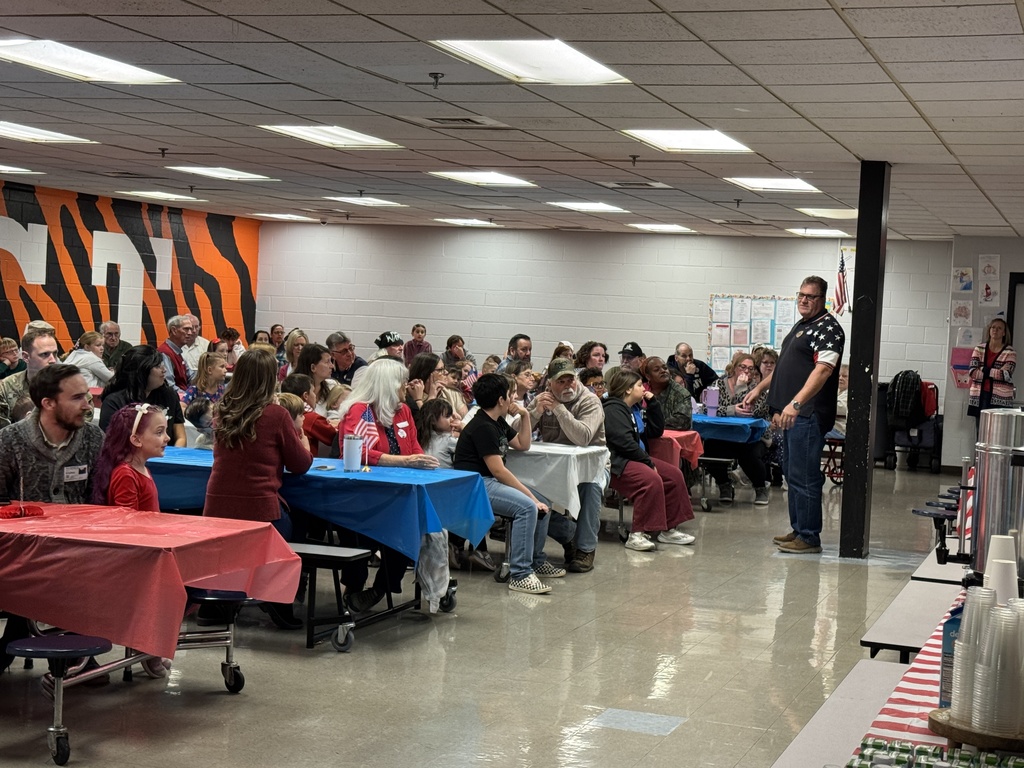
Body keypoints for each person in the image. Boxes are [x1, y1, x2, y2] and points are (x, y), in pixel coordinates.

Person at [0, 363, 105, 675]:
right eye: (78, 398)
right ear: (48, 403)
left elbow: (100, 501)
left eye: (87, 396)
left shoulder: (92, 439)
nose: (88, 406)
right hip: (22, 552)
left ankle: (67, 646)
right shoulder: (10, 442)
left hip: (79, 550)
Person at [204, 348, 312, 629]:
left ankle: (217, 601)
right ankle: (277, 598)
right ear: (269, 380)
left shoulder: (222, 410)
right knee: (302, 526)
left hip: (217, 507)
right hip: (260, 509)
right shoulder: (276, 415)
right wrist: (304, 441)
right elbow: (300, 464)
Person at [744, 276, 845, 555]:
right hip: (790, 414)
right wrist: (759, 390)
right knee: (792, 473)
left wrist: (796, 404)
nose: (803, 300)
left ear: (822, 299)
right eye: (800, 295)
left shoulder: (828, 329)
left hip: (807, 415)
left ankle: (810, 536)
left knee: (805, 475)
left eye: (810, 296)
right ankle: (799, 529)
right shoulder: (802, 326)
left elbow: (823, 370)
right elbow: (784, 368)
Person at [334, 358, 440, 611]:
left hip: (398, 492)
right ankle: (355, 585)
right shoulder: (360, 410)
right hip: (362, 494)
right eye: (401, 382)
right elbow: (357, 452)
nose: (406, 386)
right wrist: (403, 461)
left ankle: (381, 588)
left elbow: (414, 448)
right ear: (387, 384)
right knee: (362, 531)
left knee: (412, 525)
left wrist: (420, 462)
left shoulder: (402, 410)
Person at [454, 373, 564, 594]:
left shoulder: (497, 422)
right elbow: (498, 471)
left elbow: (523, 444)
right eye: (510, 395)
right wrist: (530, 499)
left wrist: (525, 414)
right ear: (501, 400)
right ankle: (520, 573)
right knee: (527, 506)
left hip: (487, 481)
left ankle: (535, 559)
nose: (513, 398)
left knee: (544, 500)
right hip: (475, 485)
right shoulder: (482, 426)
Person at [527, 358, 607, 573]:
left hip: (591, 466)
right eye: (560, 382)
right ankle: (570, 534)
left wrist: (559, 409)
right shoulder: (541, 399)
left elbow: (583, 437)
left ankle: (585, 548)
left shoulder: (590, 401)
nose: (567, 385)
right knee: (529, 496)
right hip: (553, 465)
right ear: (549, 384)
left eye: (570, 380)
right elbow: (516, 431)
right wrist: (535, 413)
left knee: (590, 487)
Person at [603, 368, 695, 551]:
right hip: (616, 462)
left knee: (674, 475)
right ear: (628, 389)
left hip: (636, 458)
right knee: (650, 479)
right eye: (639, 385)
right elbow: (624, 444)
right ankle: (637, 534)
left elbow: (655, 431)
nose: (644, 388)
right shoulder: (613, 409)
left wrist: (653, 404)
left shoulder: (635, 408)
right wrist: (648, 462)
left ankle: (668, 529)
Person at [703, 352, 770, 506]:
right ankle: (724, 485)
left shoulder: (756, 388)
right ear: (734, 368)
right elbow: (709, 409)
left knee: (749, 454)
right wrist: (731, 410)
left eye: (750, 369)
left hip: (752, 436)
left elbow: (751, 412)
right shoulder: (718, 385)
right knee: (710, 449)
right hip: (724, 435)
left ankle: (760, 488)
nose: (746, 371)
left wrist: (741, 388)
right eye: (742, 367)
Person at [100, 345, 187, 447]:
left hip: (167, 457)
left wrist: (170, 458)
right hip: (129, 460)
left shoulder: (169, 395)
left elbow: (180, 437)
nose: (164, 370)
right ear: (142, 371)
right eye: (158, 366)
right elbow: (112, 444)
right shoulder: (114, 402)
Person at [92, 403, 169, 512]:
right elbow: (128, 523)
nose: (168, 438)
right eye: (159, 432)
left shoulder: (140, 469)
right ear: (136, 440)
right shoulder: (126, 475)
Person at [0, 326, 60, 429]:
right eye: (45, 354)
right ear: (26, 357)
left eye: (55, 353)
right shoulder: (6, 387)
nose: (53, 360)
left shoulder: (70, 386)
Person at [968, 317, 1016, 432]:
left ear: (1004, 333)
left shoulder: (1010, 352)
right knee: (981, 432)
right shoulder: (979, 349)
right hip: (979, 396)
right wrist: (996, 371)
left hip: (1000, 398)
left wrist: (983, 369)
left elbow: (1006, 375)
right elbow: (972, 372)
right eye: (993, 327)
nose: (995, 330)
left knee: (998, 433)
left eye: (999, 328)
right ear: (989, 330)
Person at [281, 373, 338, 456]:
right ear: (306, 396)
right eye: (313, 392)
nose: (315, 396)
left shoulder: (281, 414)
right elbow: (334, 437)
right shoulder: (311, 418)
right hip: (307, 464)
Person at [753, 347, 784, 487]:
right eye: (765, 362)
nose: (769, 365)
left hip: (778, 423)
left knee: (782, 436)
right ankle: (764, 475)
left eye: (772, 362)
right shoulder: (754, 384)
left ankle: (780, 474)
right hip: (760, 424)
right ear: (759, 365)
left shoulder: (781, 384)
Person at [644, 356, 692, 430]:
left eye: (665, 368)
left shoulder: (681, 393)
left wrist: (653, 425)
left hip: (674, 439)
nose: (663, 371)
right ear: (648, 376)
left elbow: (682, 422)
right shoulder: (642, 391)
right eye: (657, 370)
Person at [295, 342, 338, 415]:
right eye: (327, 362)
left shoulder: (332, 386)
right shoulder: (292, 389)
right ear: (313, 367)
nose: (332, 366)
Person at [158, 315, 195, 394]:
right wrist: (187, 397)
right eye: (186, 329)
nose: (190, 333)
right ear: (174, 330)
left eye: (191, 329)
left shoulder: (177, 352)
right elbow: (169, 385)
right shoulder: (164, 353)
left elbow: (191, 377)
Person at [826, 364, 850, 439]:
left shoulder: (852, 394)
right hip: (831, 426)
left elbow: (838, 408)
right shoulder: (836, 391)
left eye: (844, 376)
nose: (840, 378)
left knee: (811, 429)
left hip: (840, 429)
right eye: (839, 375)